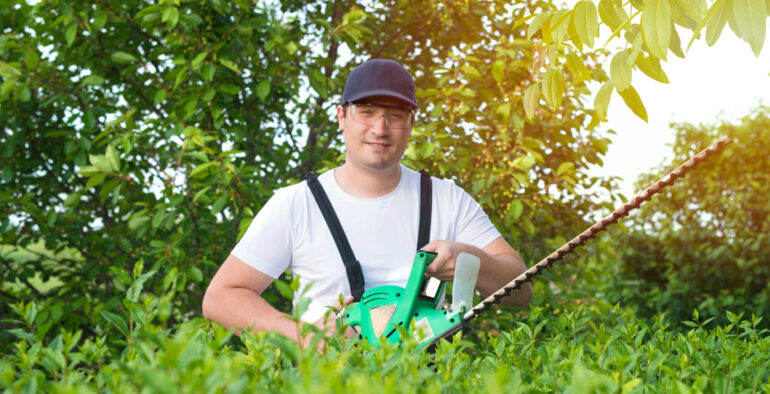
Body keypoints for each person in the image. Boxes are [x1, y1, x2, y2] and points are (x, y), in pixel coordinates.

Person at [202, 59, 532, 347]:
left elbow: (521, 290)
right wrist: (302, 338)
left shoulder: (449, 200)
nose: (380, 128)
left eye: (395, 115)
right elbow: (221, 297)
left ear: (411, 124)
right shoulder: (295, 204)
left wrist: (470, 260)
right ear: (342, 116)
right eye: (367, 112)